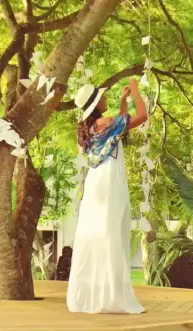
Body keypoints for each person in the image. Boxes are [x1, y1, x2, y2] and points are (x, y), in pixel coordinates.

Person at [66, 77, 148, 314]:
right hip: (110, 180)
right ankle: (111, 296)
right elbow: (142, 116)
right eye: (102, 97)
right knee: (112, 231)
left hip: (96, 181)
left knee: (101, 231)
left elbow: (118, 131)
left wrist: (123, 101)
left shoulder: (91, 127)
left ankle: (99, 293)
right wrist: (136, 89)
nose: (105, 98)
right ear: (95, 104)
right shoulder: (107, 122)